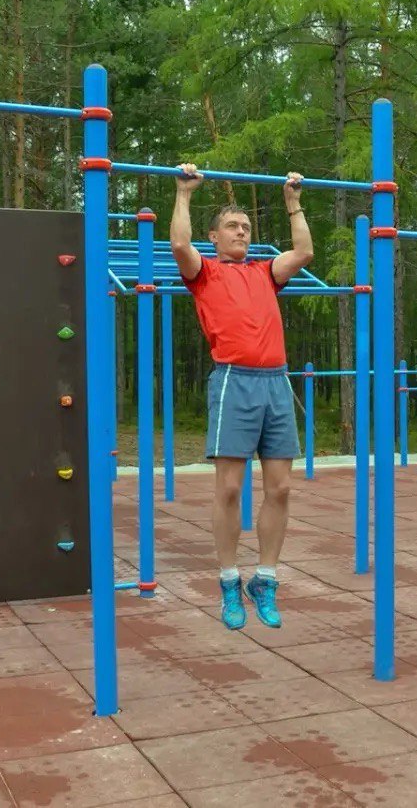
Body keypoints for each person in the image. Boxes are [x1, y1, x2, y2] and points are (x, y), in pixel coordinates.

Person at [169, 164, 312, 630]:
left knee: (281, 488)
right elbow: (179, 245)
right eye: (232, 226)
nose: (242, 232)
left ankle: (265, 579)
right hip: (234, 380)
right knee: (230, 487)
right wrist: (184, 194)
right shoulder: (205, 273)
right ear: (214, 236)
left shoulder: (265, 272)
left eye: (246, 227)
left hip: (276, 381)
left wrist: (293, 202)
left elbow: (304, 251)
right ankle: (229, 579)